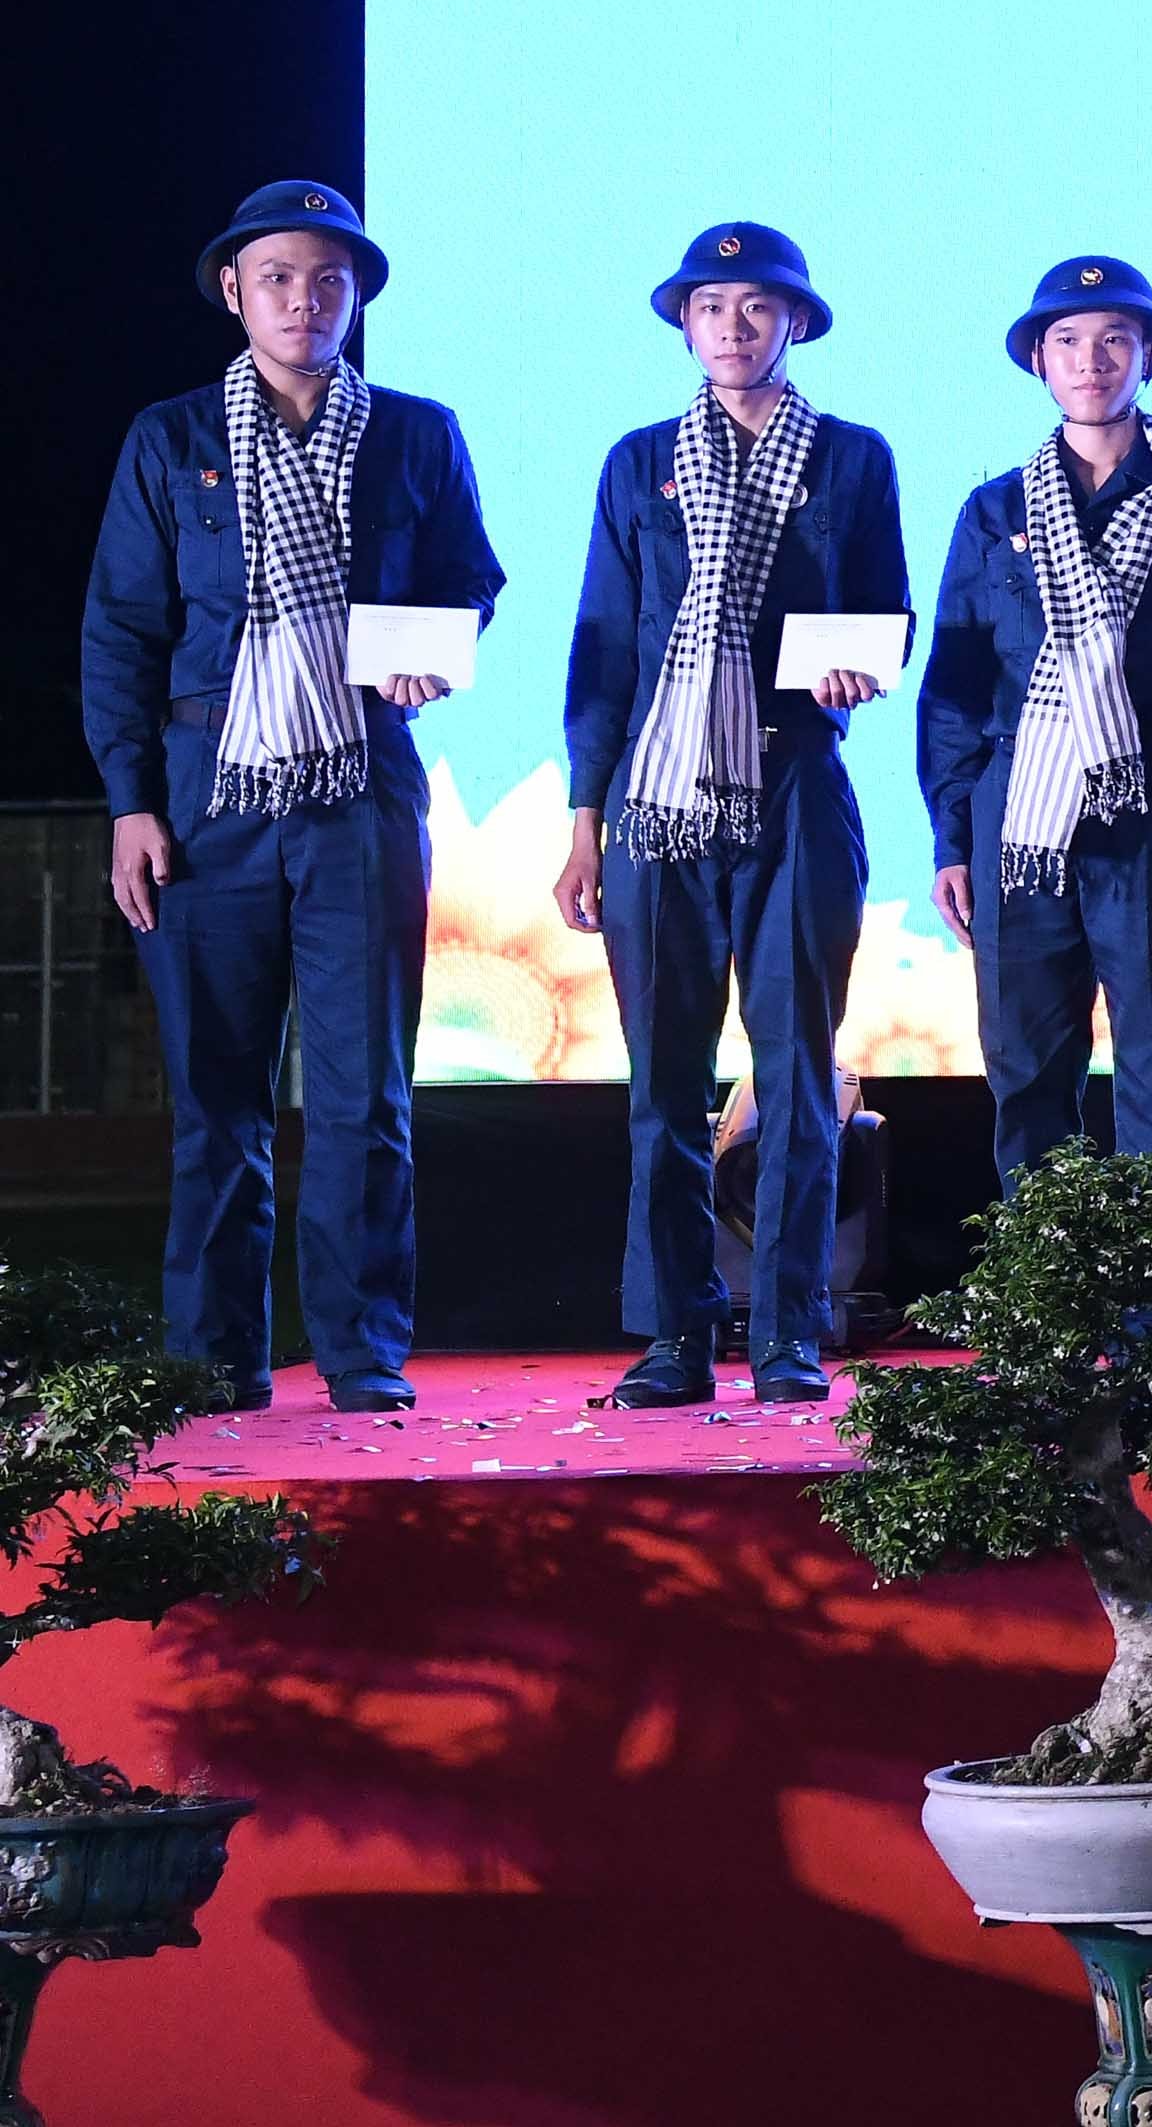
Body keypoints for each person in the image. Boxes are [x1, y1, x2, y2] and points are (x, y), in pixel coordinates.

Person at [81, 180, 501, 1413]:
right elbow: (121, 630)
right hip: (204, 791)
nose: (303, 299)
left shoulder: (416, 433)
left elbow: (471, 580)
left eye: (328, 279)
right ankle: (213, 1356)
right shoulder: (171, 438)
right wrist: (130, 801)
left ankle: (362, 1353)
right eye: (277, 277)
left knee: (365, 1092)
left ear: (357, 295)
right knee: (217, 1096)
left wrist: (438, 646)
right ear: (233, 290)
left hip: (359, 779)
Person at [562, 223, 910, 1410]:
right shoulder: (639, 462)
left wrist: (859, 670)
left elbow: (886, 615)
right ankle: (674, 1332)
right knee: (663, 1080)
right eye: (710, 307)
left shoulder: (852, 458)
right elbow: (604, 648)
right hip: (655, 798)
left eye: (757, 305)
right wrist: (584, 819)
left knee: (798, 1074)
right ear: (684, 324)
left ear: (795, 321)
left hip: (795, 779)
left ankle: (788, 1330)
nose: (732, 326)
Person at [914, 257, 1152, 1187]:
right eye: (1069, 341)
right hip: (1018, 812)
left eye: (1115, 339)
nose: (1092, 360)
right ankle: (1044, 1278)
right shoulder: (994, 508)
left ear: (1147, 355)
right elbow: (955, 683)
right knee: (1026, 1070)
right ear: (1040, 360)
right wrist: (951, 838)